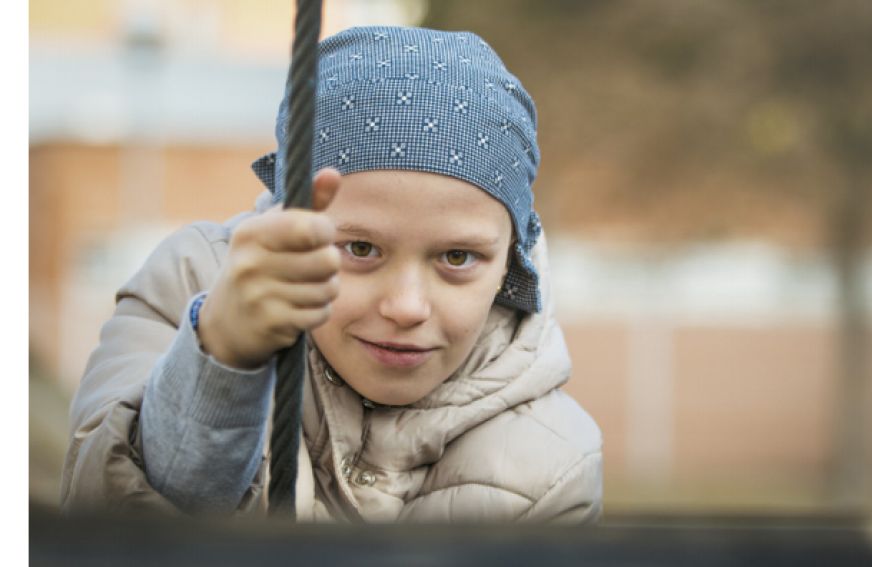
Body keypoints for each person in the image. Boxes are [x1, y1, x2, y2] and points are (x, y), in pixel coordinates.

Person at [61, 25, 602, 523]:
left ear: (513, 260)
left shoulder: (553, 466)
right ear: (290, 214)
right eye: (360, 247)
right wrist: (220, 359)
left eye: (457, 258)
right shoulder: (187, 283)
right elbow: (106, 521)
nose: (406, 306)